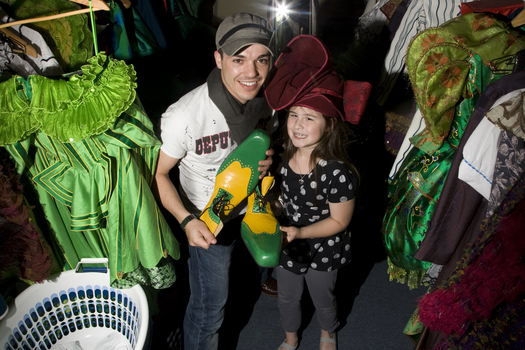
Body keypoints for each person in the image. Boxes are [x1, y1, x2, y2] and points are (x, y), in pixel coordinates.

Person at [155, 13, 277, 350]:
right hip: (208, 220)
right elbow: (159, 173)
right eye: (239, 59)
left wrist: (271, 159)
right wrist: (186, 221)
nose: (251, 73)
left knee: (250, 274)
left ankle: (262, 280)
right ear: (219, 58)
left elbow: (277, 140)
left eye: (261, 60)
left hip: (255, 208)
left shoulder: (270, 98)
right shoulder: (184, 115)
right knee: (210, 309)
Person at [265, 35, 367, 350]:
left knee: (323, 297)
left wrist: (301, 231)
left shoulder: (336, 172)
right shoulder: (281, 156)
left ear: (329, 126)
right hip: (289, 243)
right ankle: (291, 337)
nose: (298, 124)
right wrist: (270, 201)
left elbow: (339, 222)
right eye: (294, 114)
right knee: (287, 297)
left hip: (325, 245)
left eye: (310, 118)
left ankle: (328, 333)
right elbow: (281, 199)